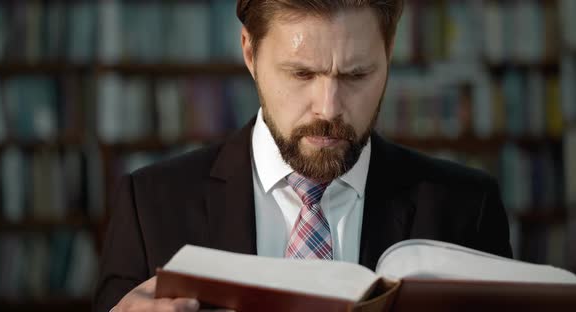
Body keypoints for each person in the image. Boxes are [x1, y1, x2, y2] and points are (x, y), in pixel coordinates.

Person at [94, 1, 512, 311]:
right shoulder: (148, 207)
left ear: (390, 53)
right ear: (250, 53)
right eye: (301, 74)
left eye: (356, 75)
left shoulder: (467, 209)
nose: (328, 109)